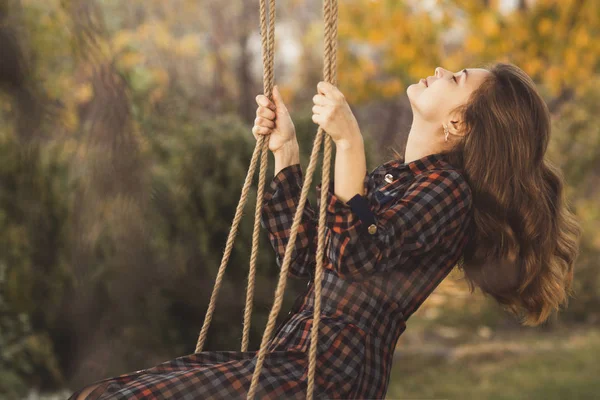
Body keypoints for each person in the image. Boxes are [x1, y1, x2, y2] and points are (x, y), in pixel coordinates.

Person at [68, 62, 580, 399]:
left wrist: (349, 145)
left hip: (330, 374)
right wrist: (286, 152)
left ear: (459, 124)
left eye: (457, 78)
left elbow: (355, 255)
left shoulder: (449, 194)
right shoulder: (395, 179)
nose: (442, 69)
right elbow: (311, 255)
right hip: (298, 355)